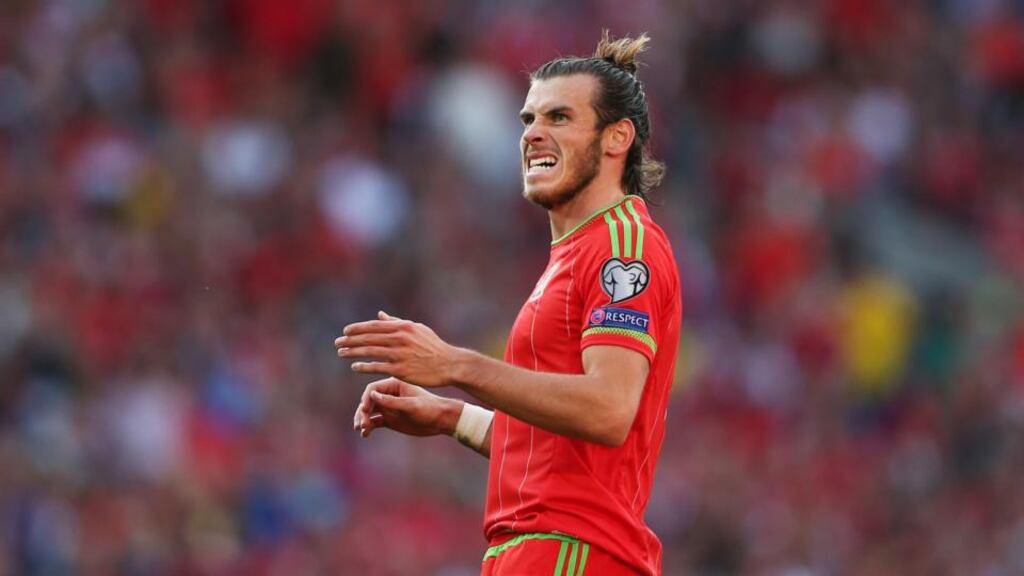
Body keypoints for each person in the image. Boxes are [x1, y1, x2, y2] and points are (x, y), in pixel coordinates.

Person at [335, 31, 681, 576]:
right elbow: (563, 454)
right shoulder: (575, 253)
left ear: (617, 138)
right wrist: (452, 417)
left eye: (559, 118)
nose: (534, 134)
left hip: (574, 551)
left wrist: (456, 365)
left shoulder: (621, 246)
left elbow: (610, 409)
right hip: (539, 551)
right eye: (528, 119)